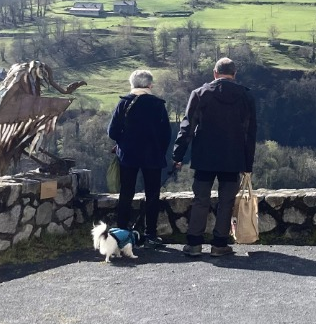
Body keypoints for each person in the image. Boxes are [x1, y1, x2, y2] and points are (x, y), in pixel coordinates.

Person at [172, 57, 256, 256]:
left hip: (204, 157)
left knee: (201, 199)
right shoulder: (246, 96)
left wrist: (178, 155)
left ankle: (194, 244)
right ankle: (219, 244)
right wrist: (247, 163)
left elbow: (188, 127)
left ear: (214, 73)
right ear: (234, 75)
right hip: (233, 157)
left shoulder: (200, 94)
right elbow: (250, 132)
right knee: (226, 201)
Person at [107, 69, 171, 247]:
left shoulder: (124, 103)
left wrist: (123, 143)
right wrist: (159, 150)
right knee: (152, 194)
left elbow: (112, 131)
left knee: (126, 192)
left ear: (132, 84)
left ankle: (122, 232)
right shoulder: (158, 105)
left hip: (128, 155)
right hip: (153, 156)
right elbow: (166, 134)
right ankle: (150, 233)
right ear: (150, 85)